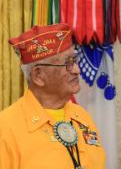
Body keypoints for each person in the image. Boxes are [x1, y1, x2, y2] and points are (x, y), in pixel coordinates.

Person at [0, 23, 106, 168]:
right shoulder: (6, 128)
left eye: (74, 60)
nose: (77, 70)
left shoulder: (83, 117)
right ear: (38, 76)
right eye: (67, 63)